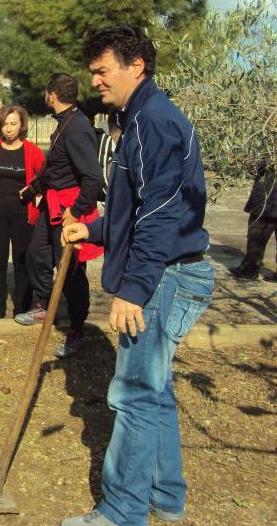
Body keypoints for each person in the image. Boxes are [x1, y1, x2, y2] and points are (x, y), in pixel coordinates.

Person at [60, 26, 214, 526]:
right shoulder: (139, 118)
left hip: (166, 277)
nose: (96, 81)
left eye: (103, 70)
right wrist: (94, 227)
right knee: (155, 390)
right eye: (93, 72)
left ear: (136, 66)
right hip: (165, 273)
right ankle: (166, 496)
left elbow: (162, 216)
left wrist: (134, 289)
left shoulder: (154, 123)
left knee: (133, 395)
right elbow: (137, 209)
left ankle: (122, 512)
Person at [15, 73, 104, 360]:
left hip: (69, 208)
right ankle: (43, 306)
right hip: (50, 204)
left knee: (72, 272)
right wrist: (33, 190)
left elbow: (93, 178)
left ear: (51, 94)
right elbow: (56, 168)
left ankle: (76, 330)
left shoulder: (77, 127)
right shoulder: (65, 123)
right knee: (37, 256)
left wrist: (75, 213)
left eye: (45, 92)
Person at [0, 104, 45, 319]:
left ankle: (22, 309)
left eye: (13, 124)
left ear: (22, 125)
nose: (8, 129)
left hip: (23, 212)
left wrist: (35, 193)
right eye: (5, 124)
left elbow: (44, 177)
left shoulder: (32, 150)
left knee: (22, 261)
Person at [228, 166, 277, 281]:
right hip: (267, 193)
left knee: (257, 234)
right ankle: (249, 268)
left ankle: (249, 269)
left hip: (267, 196)